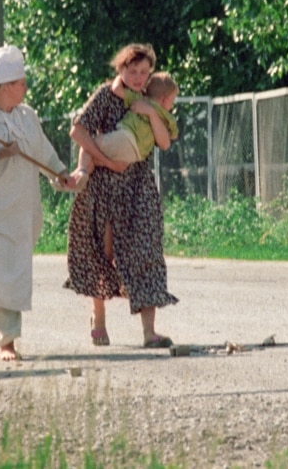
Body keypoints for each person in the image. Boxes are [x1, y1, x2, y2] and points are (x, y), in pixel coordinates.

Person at [0, 45, 77, 361]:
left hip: (20, 208)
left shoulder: (27, 116)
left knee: (11, 273)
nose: (24, 88)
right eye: (19, 83)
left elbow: (43, 150)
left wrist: (59, 173)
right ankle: (8, 341)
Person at [65, 43, 179, 348]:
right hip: (102, 185)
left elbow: (164, 142)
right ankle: (98, 320)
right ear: (121, 69)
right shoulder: (106, 95)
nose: (139, 77)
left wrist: (150, 113)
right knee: (102, 253)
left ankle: (149, 332)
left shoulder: (149, 98)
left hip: (138, 187)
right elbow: (78, 131)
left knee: (146, 252)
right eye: (133, 71)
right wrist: (103, 161)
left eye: (144, 72)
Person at [69, 72, 179, 190]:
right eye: (172, 101)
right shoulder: (168, 118)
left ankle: (80, 172)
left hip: (125, 138)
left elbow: (116, 89)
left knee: (89, 145)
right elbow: (173, 136)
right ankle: (79, 178)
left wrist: (120, 76)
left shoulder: (141, 100)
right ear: (164, 100)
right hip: (137, 154)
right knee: (96, 159)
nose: (172, 105)